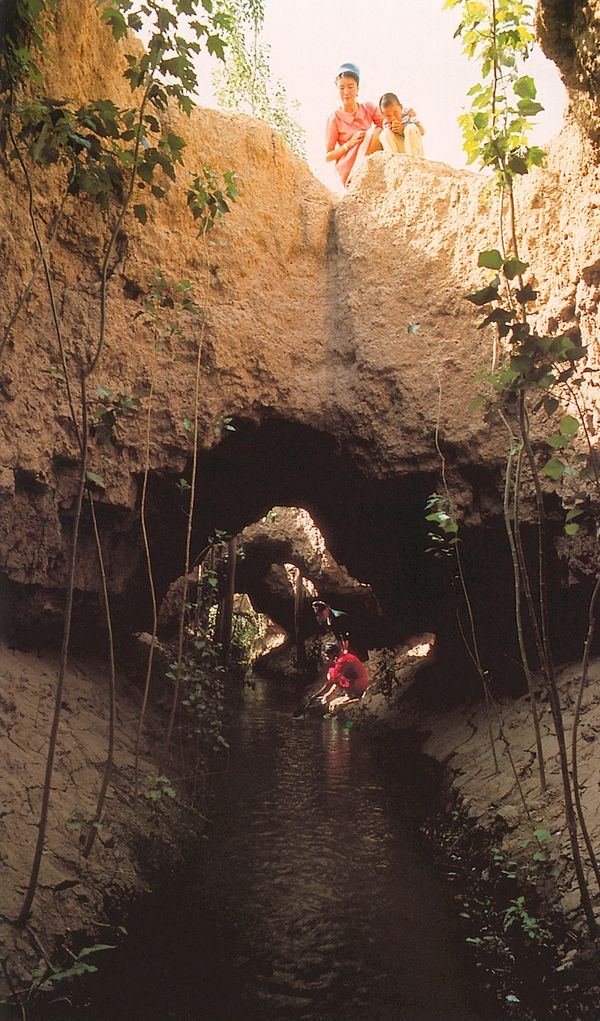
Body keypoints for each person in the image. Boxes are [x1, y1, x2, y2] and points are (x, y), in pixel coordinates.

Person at [325, 62, 384, 189]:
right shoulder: (334, 117)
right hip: (348, 166)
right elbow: (328, 156)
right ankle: (357, 180)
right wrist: (349, 144)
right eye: (342, 88)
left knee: (382, 133)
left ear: (358, 88)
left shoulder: (368, 108)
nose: (346, 92)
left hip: (369, 159)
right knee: (376, 133)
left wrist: (406, 116)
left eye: (350, 87)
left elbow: (387, 124)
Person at [317, 640, 369, 714]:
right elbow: (337, 679)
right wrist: (328, 694)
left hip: (358, 686)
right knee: (332, 705)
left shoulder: (342, 661)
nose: (326, 658)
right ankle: (349, 695)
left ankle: (348, 724)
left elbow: (334, 679)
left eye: (327, 656)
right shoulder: (343, 657)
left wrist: (324, 693)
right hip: (361, 682)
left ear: (332, 654)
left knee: (331, 673)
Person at [378, 92, 425, 158]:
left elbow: (422, 131)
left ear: (401, 107)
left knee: (410, 127)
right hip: (400, 149)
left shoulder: (408, 114)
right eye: (388, 115)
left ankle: (414, 160)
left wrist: (403, 129)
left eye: (395, 112)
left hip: (412, 149)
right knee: (384, 134)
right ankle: (394, 160)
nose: (393, 117)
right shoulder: (386, 123)